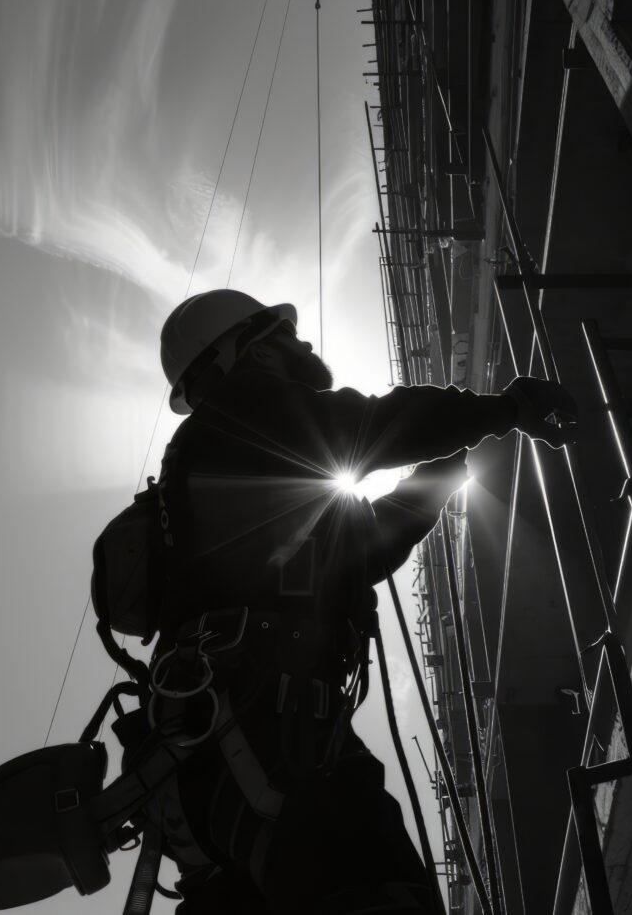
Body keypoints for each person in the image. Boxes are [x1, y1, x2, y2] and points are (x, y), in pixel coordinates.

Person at [146, 289, 578, 913]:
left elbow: (363, 550)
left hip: (232, 757)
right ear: (249, 352)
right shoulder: (243, 416)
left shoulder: (234, 471)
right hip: (269, 737)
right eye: (285, 337)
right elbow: (371, 428)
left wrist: (450, 465)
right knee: (374, 888)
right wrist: (507, 407)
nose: (305, 344)